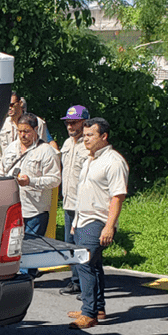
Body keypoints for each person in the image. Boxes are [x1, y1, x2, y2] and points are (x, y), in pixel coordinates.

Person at [68, 118, 129, 330]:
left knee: (84, 264)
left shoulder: (113, 161)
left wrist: (109, 226)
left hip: (98, 220)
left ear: (104, 136)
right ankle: (98, 307)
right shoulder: (89, 159)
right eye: (84, 135)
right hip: (83, 219)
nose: (85, 139)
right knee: (94, 266)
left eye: (90, 135)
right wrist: (75, 221)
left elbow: (117, 196)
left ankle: (89, 313)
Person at [0, 113, 61, 240]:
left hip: (35, 211)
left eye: (26, 131)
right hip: (12, 209)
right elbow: (1, 171)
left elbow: (55, 179)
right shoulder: (11, 148)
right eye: (20, 131)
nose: (22, 135)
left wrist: (30, 181)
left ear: (36, 130)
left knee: (32, 248)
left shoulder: (46, 151)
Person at [58, 104, 91, 295]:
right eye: (68, 122)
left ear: (84, 122)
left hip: (84, 204)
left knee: (82, 245)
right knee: (70, 244)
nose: (70, 126)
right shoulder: (67, 143)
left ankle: (87, 287)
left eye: (74, 122)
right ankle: (75, 281)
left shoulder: (88, 146)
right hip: (69, 201)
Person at [0, 94, 51, 176]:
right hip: (7, 175)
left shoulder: (37, 122)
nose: (9, 107)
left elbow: (43, 151)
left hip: (30, 176)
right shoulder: (2, 125)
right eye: (6, 105)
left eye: (11, 104)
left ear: (20, 103)